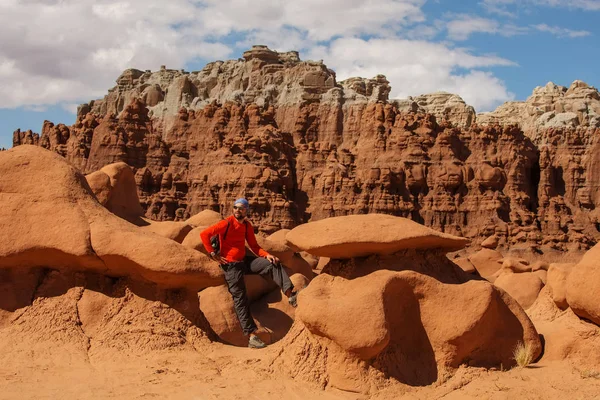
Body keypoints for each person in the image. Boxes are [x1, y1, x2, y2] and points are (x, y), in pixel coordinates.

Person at [200, 198, 298, 349]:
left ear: (246, 211)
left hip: (244, 261)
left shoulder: (246, 226)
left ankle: (290, 294)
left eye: (241, 208)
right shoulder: (226, 223)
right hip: (231, 266)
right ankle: (252, 337)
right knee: (240, 299)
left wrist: (266, 255)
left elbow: (254, 245)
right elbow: (204, 234)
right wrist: (212, 253)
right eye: (235, 207)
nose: (238, 210)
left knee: (273, 264)